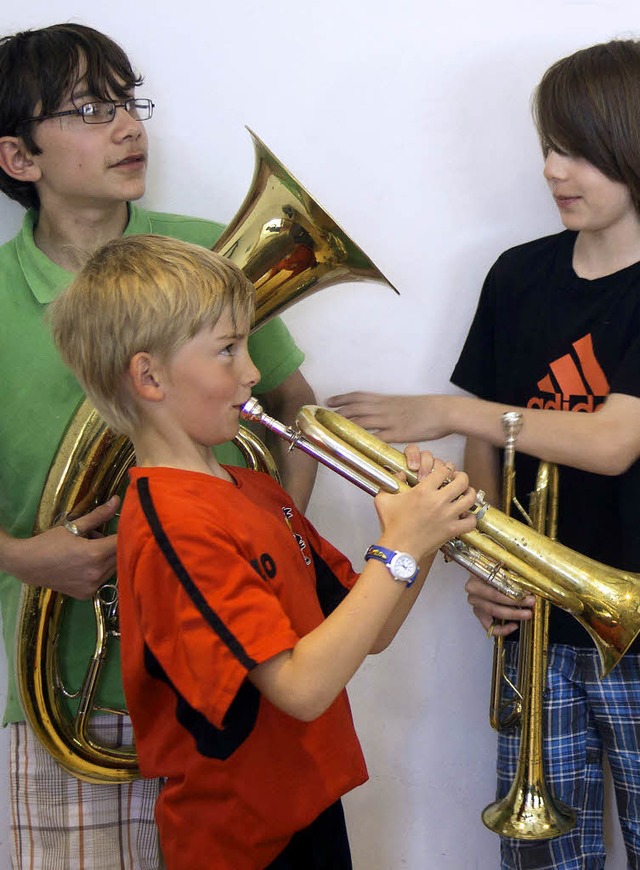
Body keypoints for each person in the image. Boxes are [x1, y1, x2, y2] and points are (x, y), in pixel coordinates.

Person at [48, 232, 477, 869]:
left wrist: (424, 532)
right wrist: (402, 547)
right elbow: (300, 688)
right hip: (240, 843)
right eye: (226, 349)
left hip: (306, 808)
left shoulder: (250, 487)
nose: (252, 372)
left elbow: (370, 629)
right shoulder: (173, 524)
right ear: (149, 376)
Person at [0, 21, 318, 869]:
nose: (131, 127)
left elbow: (291, 410)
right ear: (19, 158)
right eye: (92, 110)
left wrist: (269, 558)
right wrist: (24, 555)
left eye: (130, 102)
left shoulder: (203, 249)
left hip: (234, 686)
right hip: (74, 694)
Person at [328, 38, 640, 869]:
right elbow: (484, 444)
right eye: (548, 147)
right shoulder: (518, 275)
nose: (552, 169)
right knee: (541, 856)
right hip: (540, 630)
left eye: (578, 149)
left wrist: (439, 406)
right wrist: (492, 560)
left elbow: (613, 441)